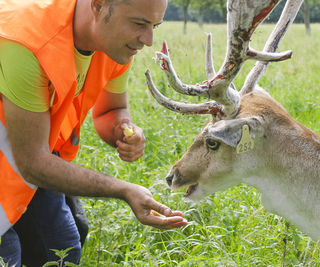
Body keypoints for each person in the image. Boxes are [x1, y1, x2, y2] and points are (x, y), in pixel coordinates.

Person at [0, 0, 188, 266]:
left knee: (62, 243)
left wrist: (122, 130)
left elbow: (111, 109)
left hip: (28, 150)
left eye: (154, 26)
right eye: (139, 24)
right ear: (99, 5)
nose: (148, 40)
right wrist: (124, 189)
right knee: (8, 253)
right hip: (22, 158)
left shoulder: (112, 43)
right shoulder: (28, 43)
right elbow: (33, 163)